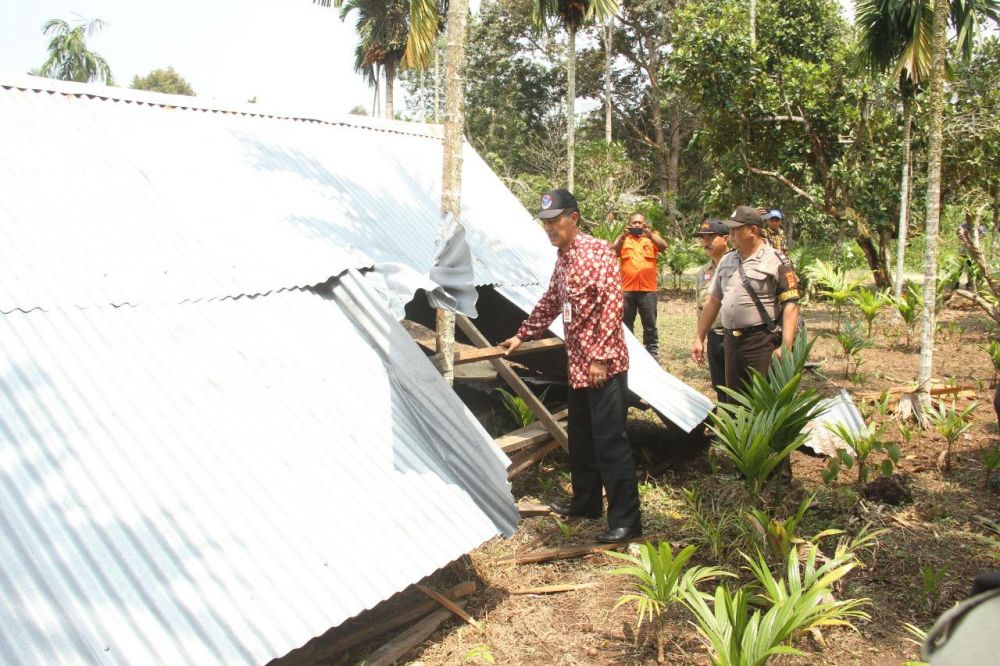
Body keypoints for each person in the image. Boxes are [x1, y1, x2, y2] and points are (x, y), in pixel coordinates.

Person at [500, 188, 642, 544]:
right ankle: (586, 503)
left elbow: (613, 306)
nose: (549, 228)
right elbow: (551, 300)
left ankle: (626, 521)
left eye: (554, 221)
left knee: (610, 442)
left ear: (574, 218)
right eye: (545, 223)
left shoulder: (598, 252)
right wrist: (522, 335)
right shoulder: (563, 257)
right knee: (581, 439)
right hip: (577, 367)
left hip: (602, 367)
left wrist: (600, 358)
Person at [690, 205, 800, 397]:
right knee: (734, 401)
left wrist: (786, 346)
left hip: (761, 340)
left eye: (735, 229)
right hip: (731, 341)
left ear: (753, 230)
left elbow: (790, 304)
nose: (731, 234)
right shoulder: (727, 260)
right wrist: (699, 337)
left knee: (761, 399)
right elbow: (713, 301)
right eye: (730, 229)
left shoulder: (776, 260)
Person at [613, 212, 668, 359]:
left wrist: (649, 234)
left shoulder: (652, 237)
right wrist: (623, 237)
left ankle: (652, 355)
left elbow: (664, 247)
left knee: (650, 325)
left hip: (647, 290)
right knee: (626, 324)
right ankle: (627, 354)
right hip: (627, 290)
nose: (637, 225)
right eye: (634, 223)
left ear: (645, 224)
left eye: (640, 222)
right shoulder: (623, 238)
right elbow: (613, 252)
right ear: (629, 224)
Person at [693, 218, 731, 401]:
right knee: (720, 387)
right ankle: (727, 428)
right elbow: (701, 308)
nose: (705, 242)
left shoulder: (738, 266)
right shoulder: (703, 272)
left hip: (736, 336)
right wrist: (699, 338)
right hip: (714, 337)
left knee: (739, 388)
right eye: (703, 238)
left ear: (726, 239)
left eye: (710, 237)